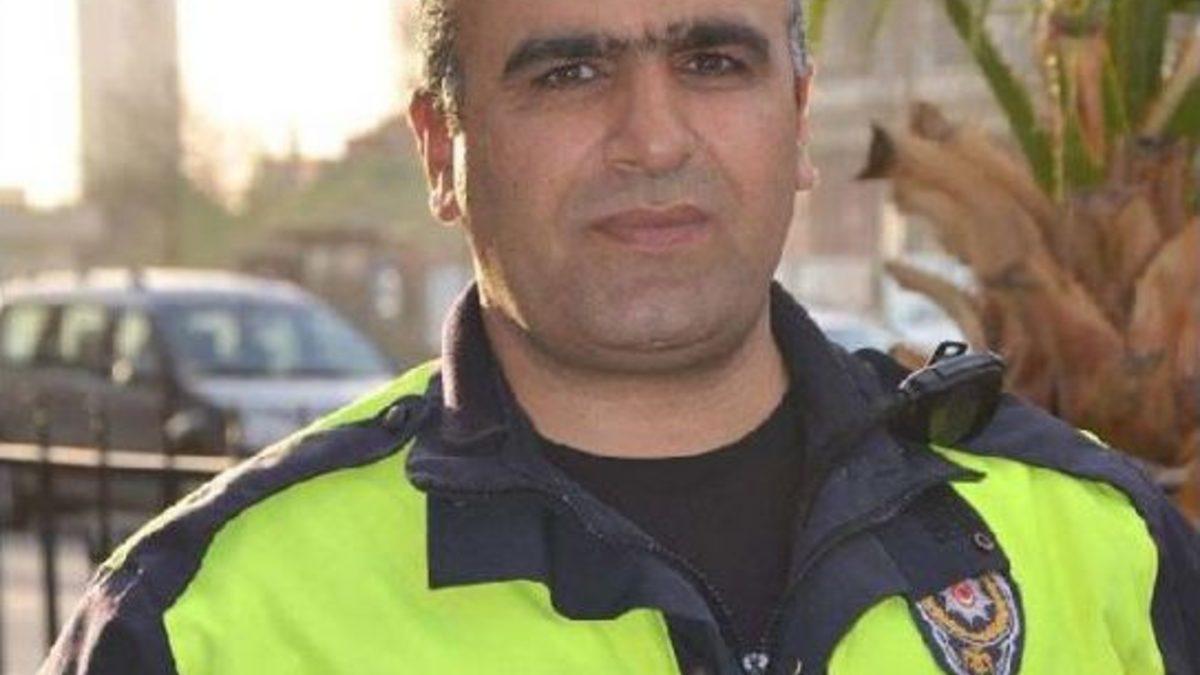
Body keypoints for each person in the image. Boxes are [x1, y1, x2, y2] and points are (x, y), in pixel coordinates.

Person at [43, 0, 1200, 672]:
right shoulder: (206, 619)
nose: (653, 138)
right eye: (571, 71)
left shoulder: (1095, 541)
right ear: (441, 150)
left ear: (799, 121)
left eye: (713, 62)